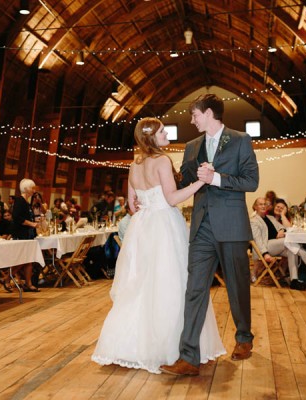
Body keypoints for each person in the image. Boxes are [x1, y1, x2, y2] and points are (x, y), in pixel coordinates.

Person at [92, 117, 225, 374]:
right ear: (151, 136)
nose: (167, 134)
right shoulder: (163, 161)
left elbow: (132, 206)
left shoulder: (133, 166)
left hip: (141, 228)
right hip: (164, 226)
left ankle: (128, 347)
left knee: (140, 285)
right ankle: (170, 348)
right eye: (163, 131)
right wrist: (201, 182)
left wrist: (146, 205)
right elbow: (172, 198)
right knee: (171, 284)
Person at [159, 94, 259, 376]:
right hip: (202, 227)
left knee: (237, 286)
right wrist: (150, 189)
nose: (191, 120)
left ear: (210, 113)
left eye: (195, 115)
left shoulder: (240, 140)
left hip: (231, 225)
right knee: (194, 289)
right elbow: (182, 179)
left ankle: (244, 338)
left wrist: (216, 178)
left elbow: (251, 181)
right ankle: (189, 357)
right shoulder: (191, 146)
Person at [250, 197, 306, 291]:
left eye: (264, 204)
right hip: (265, 247)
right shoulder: (254, 220)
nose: (263, 206)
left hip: (276, 245)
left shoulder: (270, 218)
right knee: (287, 241)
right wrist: (265, 253)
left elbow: (286, 228)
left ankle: (294, 280)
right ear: (255, 206)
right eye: (260, 204)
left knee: (292, 251)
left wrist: (281, 231)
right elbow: (258, 240)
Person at [8, 178, 40, 292]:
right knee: (22, 259)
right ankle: (6, 279)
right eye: (32, 188)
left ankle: (28, 283)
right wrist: (32, 223)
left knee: (29, 259)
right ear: (26, 189)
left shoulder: (27, 201)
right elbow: (17, 217)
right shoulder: (20, 200)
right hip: (21, 233)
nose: (34, 190)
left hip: (28, 233)